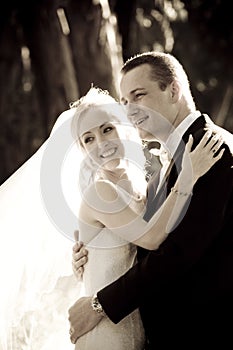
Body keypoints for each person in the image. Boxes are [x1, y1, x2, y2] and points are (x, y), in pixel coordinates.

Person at [69, 51, 233, 349]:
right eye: (125, 101)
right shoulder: (163, 171)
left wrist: (100, 304)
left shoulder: (210, 150)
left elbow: (177, 253)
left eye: (138, 95)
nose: (130, 109)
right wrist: (94, 252)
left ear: (172, 90)